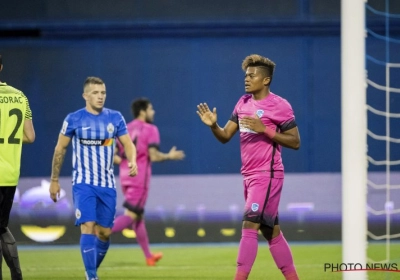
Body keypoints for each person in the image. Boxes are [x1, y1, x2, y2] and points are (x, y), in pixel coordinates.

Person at [196, 54, 301, 280]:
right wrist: (213, 125)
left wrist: (266, 130)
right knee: (270, 231)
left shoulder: (280, 105)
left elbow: (295, 141)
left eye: (252, 75)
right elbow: (225, 136)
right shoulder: (243, 103)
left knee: (249, 225)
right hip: (249, 176)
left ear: (266, 80)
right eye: (246, 75)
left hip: (268, 175)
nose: (247, 79)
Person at [49, 77, 138, 280]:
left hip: (107, 185)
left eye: (103, 93)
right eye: (96, 93)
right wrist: (54, 180)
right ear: (85, 96)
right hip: (83, 184)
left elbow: (128, 144)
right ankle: (91, 277)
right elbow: (60, 149)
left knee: (105, 233)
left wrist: (132, 160)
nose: (100, 97)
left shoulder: (115, 118)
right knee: (88, 225)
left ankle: (91, 270)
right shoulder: (74, 119)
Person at [112, 97, 185, 266]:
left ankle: (148, 256)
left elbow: (113, 155)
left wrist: (125, 162)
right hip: (139, 177)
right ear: (143, 111)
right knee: (131, 215)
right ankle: (100, 233)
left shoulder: (124, 128)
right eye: (151, 109)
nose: (153, 112)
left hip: (125, 177)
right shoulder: (150, 129)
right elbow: (153, 155)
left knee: (138, 217)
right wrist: (169, 156)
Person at [0, 54, 36, 280]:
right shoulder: (19, 96)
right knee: (1, 227)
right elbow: (30, 136)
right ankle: (17, 276)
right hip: (10, 172)